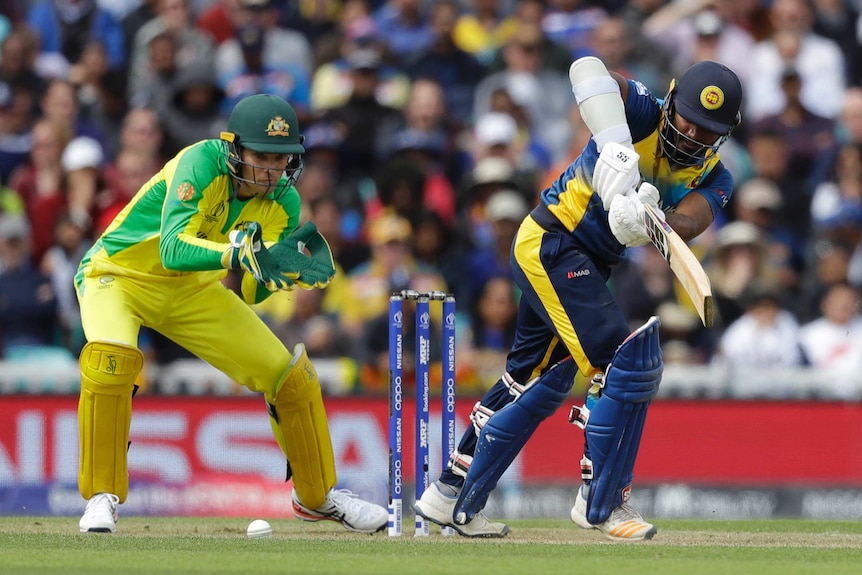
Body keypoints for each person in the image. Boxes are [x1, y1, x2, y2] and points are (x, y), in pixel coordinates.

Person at [415, 57, 743, 540]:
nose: (691, 134)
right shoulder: (642, 113)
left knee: (531, 378)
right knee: (622, 363)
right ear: (671, 101)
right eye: (687, 118)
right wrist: (614, 146)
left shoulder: (717, 178)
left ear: (725, 134)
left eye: (706, 129)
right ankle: (602, 500)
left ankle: (449, 495)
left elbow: (689, 223)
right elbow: (586, 68)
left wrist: (652, 218)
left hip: (583, 262)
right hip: (553, 240)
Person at [74, 93, 388, 534]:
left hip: (190, 293)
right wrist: (238, 251)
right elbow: (172, 247)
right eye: (261, 155)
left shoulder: (285, 202)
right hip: (118, 276)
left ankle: (318, 497)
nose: (272, 170)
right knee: (111, 358)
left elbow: (250, 288)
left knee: (287, 373)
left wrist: (279, 272)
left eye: (282, 159)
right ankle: (100, 497)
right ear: (233, 148)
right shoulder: (200, 162)